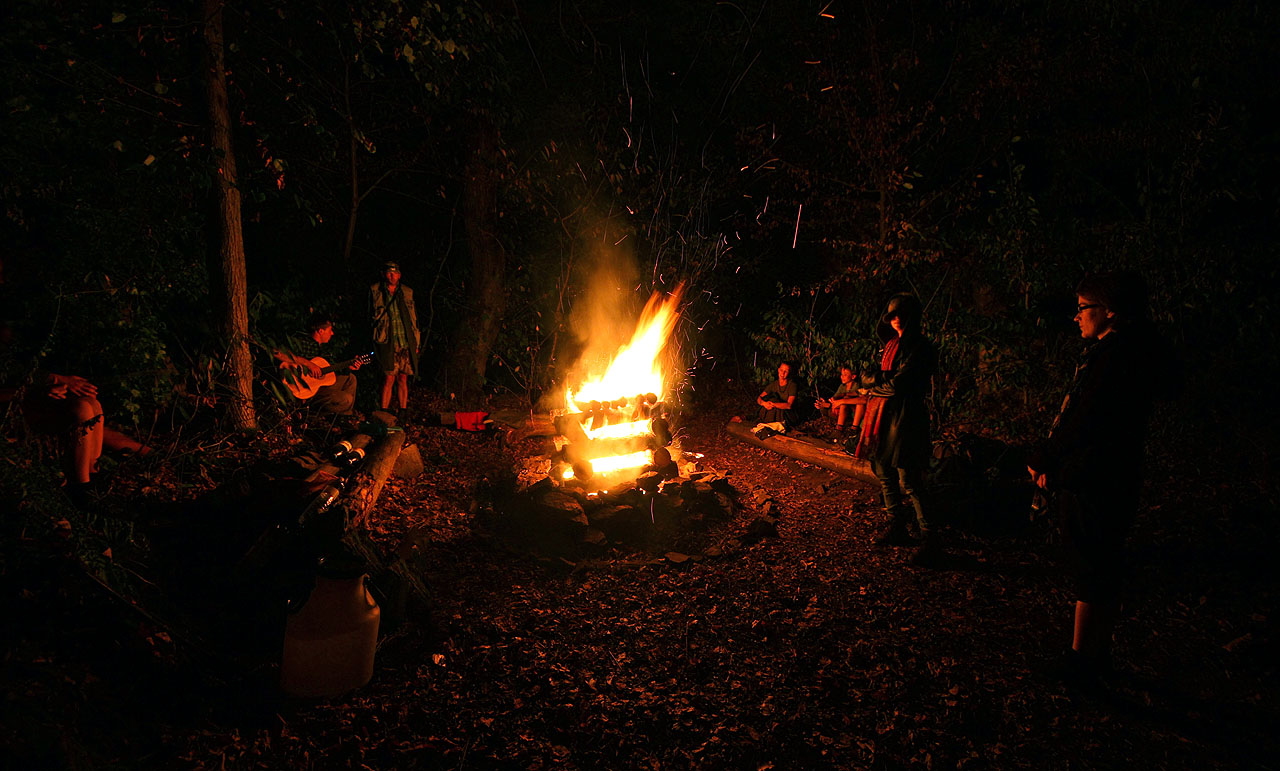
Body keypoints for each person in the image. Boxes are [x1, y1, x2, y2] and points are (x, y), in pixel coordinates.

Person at [1027, 272, 1180, 687]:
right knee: (1101, 561)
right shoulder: (1131, 353)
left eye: (1083, 308)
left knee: (1092, 565)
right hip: (1111, 473)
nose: (1076, 316)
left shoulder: (1114, 358)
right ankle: (1096, 653)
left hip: (1095, 477)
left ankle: (1083, 661)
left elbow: (1085, 418)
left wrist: (1046, 458)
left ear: (1109, 311)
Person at [851, 293, 942, 566]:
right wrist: (880, 379)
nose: (896, 319)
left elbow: (900, 384)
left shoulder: (921, 347)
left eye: (902, 314)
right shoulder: (890, 346)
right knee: (883, 471)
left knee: (910, 479)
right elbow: (875, 378)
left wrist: (873, 383)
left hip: (907, 419)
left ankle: (931, 540)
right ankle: (897, 525)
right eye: (892, 315)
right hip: (885, 415)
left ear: (913, 316)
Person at [19, 371, 152, 507]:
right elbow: (18, 375)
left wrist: (65, 387)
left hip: (41, 395)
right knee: (82, 408)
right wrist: (55, 381)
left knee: (92, 404)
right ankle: (80, 486)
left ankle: (93, 475)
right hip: (24, 401)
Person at [274, 312, 364, 415]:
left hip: (317, 387)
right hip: (304, 392)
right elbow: (278, 353)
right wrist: (309, 364)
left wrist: (349, 366)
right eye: (330, 330)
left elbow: (328, 374)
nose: (332, 333)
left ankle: (345, 417)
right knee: (346, 399)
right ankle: (313, 414)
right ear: (321, 331)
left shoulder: (323, 350)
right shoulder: (303, 342)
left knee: (351, 378)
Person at [369, 261, 420, 414]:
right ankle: (384, 411)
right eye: (389, 273)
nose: (392, 276)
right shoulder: (376, 291)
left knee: (403, 378)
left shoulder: (407, 292)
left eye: (395, 273)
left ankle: (403, 411)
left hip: (405, 341)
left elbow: (413, 319)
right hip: (387, 340)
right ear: (384, 274)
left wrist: (416, 342)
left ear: (399, 275)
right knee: (389, 378)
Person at [814, 364, 868, 436]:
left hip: (851, 411)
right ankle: (836, 429)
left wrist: (832, 404)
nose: (842, 377)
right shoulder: (842, 386)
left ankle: (840, 429)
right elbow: (835, 399)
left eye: (845, 375)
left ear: (853, 376)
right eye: (841, 374)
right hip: (842, 409)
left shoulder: (856, 386)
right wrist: (825, 403)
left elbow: (850, 401)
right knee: (825, 408)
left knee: (843, 403)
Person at [755, 360, 799, 429]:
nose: (783, 373)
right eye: (781, 370)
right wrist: (764, 403)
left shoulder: (792, 385)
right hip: (773, 411)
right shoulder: (774, 384)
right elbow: (759, 398)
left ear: (789, 372)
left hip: (785, 414)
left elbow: (789, 405)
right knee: (769, 402)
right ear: (778, 370)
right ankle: (768, 425)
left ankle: (772, 426)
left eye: (786, 371)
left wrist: (773, 404)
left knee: (774, 402)